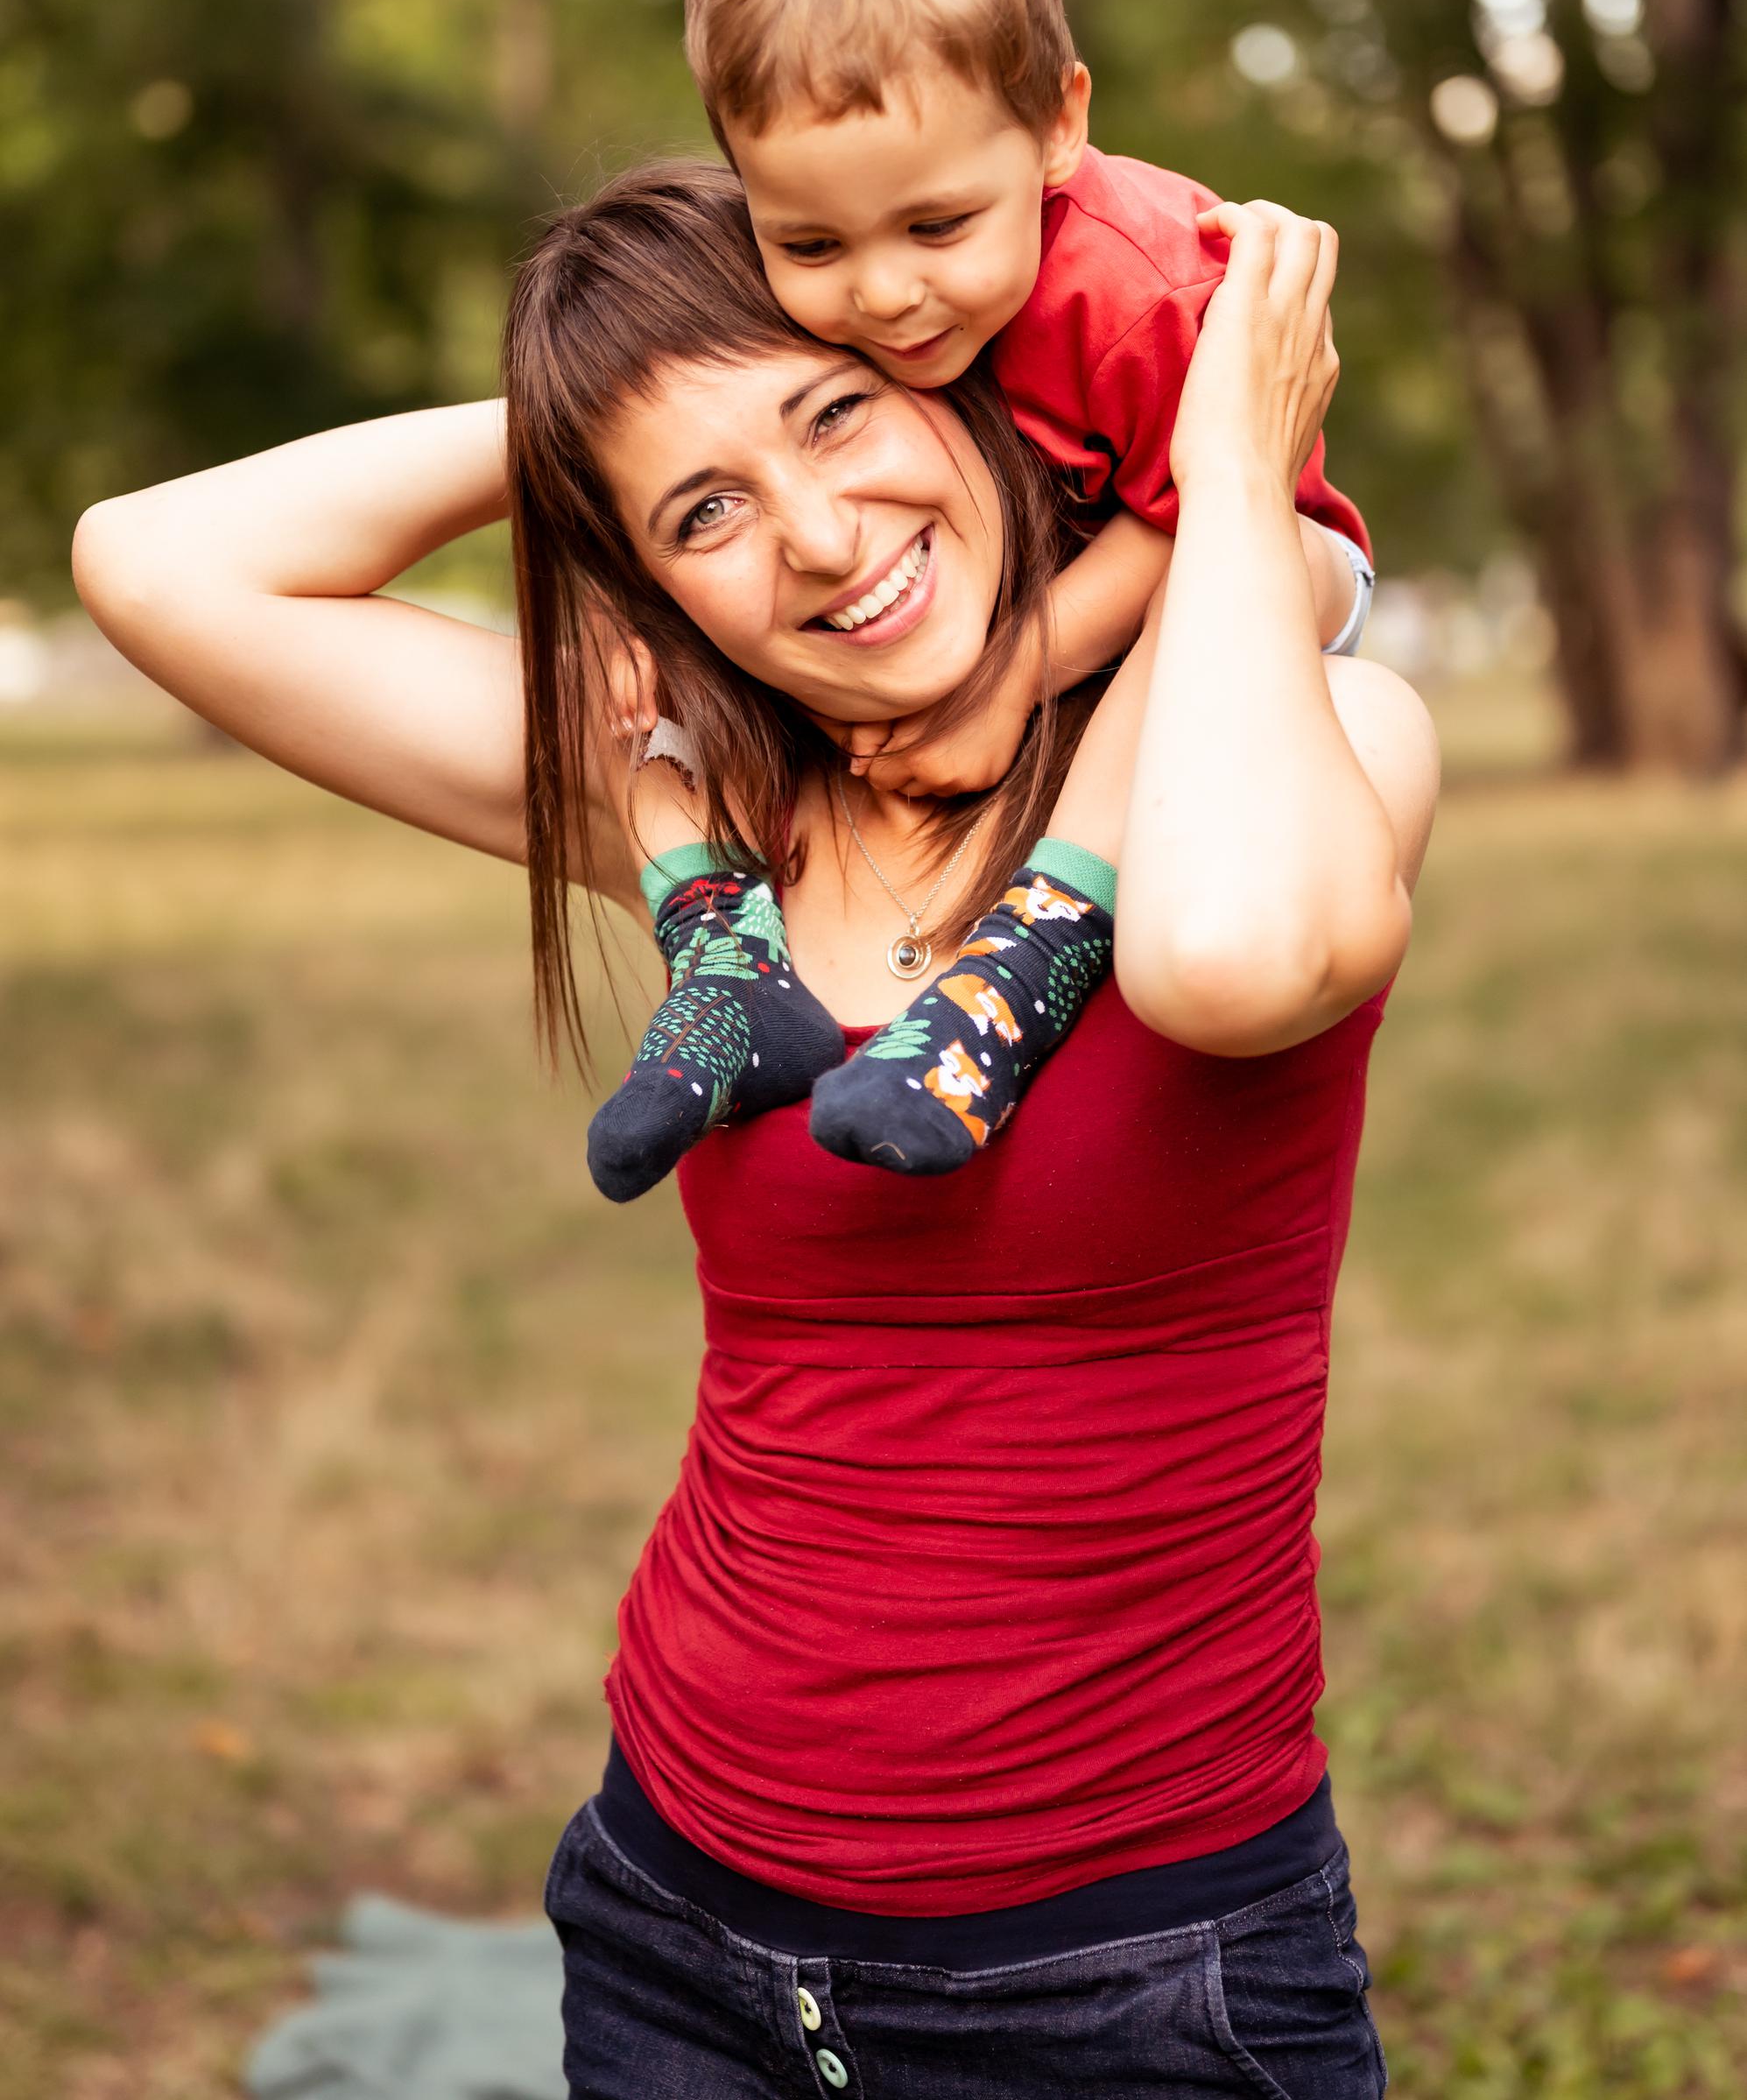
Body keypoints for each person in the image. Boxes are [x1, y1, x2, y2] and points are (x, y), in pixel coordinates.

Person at [73, 162, 1437, 2099]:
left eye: (840, 411)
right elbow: (154, 562)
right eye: (702, 512)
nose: (814, 536)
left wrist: (1211, 451)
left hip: (1124, 1972)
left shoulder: (1299, 738)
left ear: (972, 374)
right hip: (674, 1915)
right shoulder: (727, 809)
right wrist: (604, 395)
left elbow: (1223, 961)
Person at [589, 0, 1378, 1201]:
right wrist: (588, 407)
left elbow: (1201, 516)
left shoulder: (1140, 295)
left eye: (937, 229)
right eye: (812, 244)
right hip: (1036, 584)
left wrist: (1016, 674)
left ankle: (1024, 963)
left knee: (1206, 600)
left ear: (1061, 124)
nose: (886, 296)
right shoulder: (864, 297)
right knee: (621, 679)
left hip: (1251, 565)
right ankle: (723, 957)